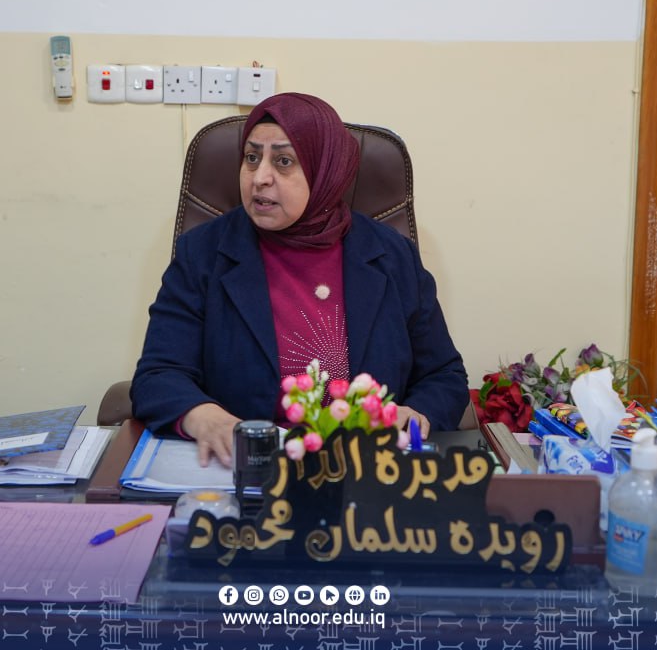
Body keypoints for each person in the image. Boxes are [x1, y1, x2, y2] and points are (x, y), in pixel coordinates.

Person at [131, 92, 468, 467]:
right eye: (251, 158)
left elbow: (444, 375)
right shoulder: (203, 254)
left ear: (326, 170)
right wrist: (202, 415)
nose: (260, 178)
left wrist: (416, 414)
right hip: (248, 467)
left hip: (366, 470)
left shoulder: (392, 256)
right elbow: (159, 375)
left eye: (284, 161)